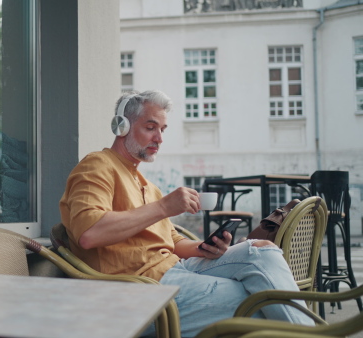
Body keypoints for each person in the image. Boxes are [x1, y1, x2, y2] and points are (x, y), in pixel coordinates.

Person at [59, 90, 314, 337]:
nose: (159, 138)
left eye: (162, 130)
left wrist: (207, 247)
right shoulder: (97, 166)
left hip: (176, 270)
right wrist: (163, 207)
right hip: (138, 292)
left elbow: (174, 243)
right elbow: (89, 234)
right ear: (122, 127)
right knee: (256, 301)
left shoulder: (147, 185)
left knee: (261, 250)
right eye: (150, 127)